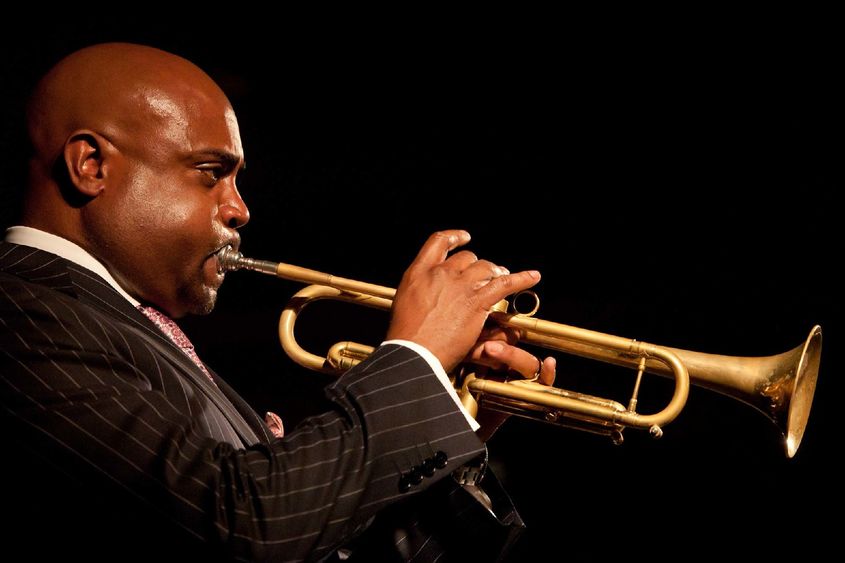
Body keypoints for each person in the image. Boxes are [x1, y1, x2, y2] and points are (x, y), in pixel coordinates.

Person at [0, 42, 556, 562]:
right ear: (91, 165)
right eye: (211, 174)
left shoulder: (124, 325)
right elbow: (244, 522)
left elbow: (312, 541)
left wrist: (444, 413)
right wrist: (415, 360)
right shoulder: (20, 310)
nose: (240, 210)